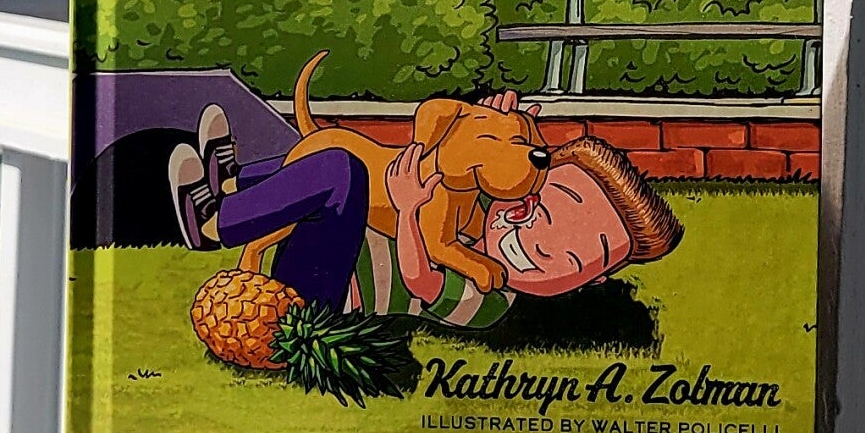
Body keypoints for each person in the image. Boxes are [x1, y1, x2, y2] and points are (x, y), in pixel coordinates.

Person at [169, 101, 681, 334]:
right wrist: (494, 125)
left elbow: (421, 279)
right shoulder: (488, 211)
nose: (541, 237)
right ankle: (237, 184)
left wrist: (410, 210)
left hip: (321, 296)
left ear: (591, 279)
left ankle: (216, 224)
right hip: (326, 243)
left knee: (342, 171)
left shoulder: (490, 300)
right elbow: (468, 161)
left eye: (575, 251)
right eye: (544, 205)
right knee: (335, 163)